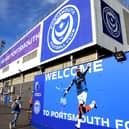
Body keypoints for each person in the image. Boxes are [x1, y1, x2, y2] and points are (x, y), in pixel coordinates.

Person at [64, 65, 97, 129]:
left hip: (84, 92)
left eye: (78, 69)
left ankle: (78, 125)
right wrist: (66, 92)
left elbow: (85, 72)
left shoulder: (83, 75)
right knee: (83, 110)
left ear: (81, 70)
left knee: (80, 107)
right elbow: (70, 85)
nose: (77, 70)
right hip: (78, 94)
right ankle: (93, 105)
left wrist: (88, 68)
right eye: (77, 69)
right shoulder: (74, 78)